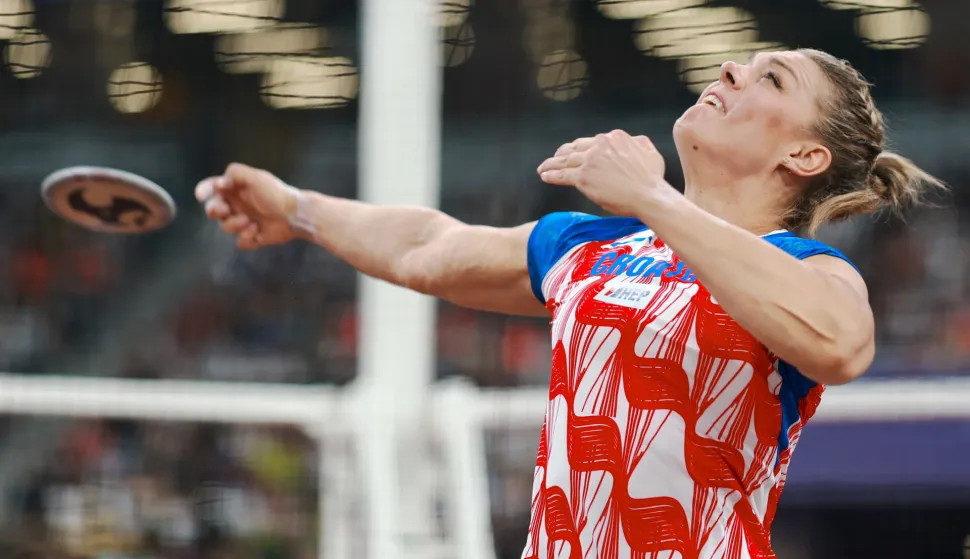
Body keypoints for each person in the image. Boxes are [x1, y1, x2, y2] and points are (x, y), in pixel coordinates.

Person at [196, 48, 943, 559]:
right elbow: (427, 246)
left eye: (770, 80)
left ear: (805, 157)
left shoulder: (805, 267)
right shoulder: (598, 245)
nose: (731, 70)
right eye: (743, 64)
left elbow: (842, 344)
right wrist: (295, 208)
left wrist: (653, 196)